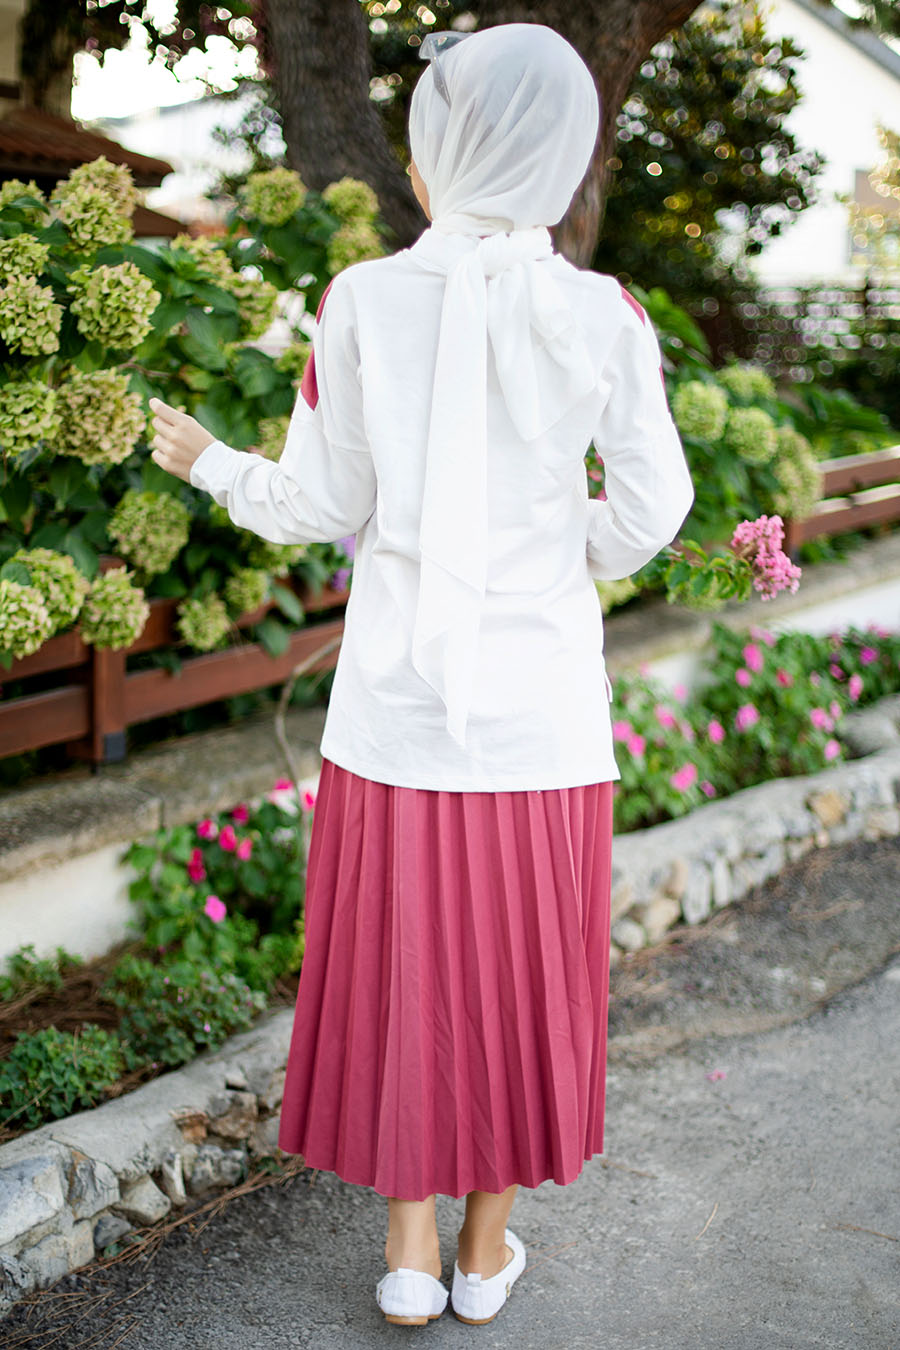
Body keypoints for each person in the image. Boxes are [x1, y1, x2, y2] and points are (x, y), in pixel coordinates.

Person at [149, 21, 694, 1329]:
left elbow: (317, 503)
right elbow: (654, 507)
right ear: (565, 157)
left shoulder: (359, 301)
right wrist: (554, 552)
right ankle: (483, 1254)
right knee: (519, 983)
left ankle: (406, 1254)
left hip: (395, 716)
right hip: (542, 721)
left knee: (408, 977)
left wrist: (209, 462)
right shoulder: (603, 314)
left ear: (432, 156)